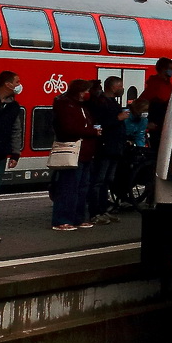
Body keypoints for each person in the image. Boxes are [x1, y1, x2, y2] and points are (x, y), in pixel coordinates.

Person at [51, 79, 100, 231]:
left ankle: (78, 218)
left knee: (81, 187)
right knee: (69, 187)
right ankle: (62, 219)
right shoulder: (66, 105)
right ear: (79, 92)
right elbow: (68, 128)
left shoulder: (81, 106)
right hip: (74, 151)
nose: (88, 94)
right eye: (86, 91)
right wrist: (92, 131)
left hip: (84, 152)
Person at [0, 71, 24, 243]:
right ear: (8, 84)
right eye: (17, 81)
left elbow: (16, 131)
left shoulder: (13, 107)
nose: (19, 84)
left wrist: (15, 153)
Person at [89, 76, 129, 224]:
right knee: (99, 180)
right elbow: (99, 124)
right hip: (105, 146)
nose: (122, 89)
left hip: (115, 147)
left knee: (107, 180)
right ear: (113, 87)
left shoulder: (112, 102)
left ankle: (103, 209)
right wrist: (118, 118)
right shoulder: (102, 103)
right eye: (120, 86)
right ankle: (95, 212)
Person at [139, 57, 172, 150]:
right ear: (163, 69)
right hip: (158, 125)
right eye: (170, 68)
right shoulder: (156, 85)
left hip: (163, 124)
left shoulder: (165, 84)